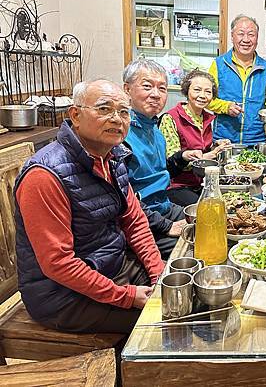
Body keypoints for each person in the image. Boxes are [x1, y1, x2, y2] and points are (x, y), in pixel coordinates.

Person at [14, 79, 164, 334]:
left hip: (112, 267)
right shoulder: (44, 175)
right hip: (61, 296)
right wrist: (125, 296)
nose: (117, 119)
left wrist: (158, 272)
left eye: (124, 112)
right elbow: (59, 264)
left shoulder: (112, 158)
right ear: (75, 115)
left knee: (181, 297)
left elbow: (135, 222)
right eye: (104, 109)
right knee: (161, 326)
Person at [123, 59, 202, 257]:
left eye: (162, 88)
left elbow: (161, 172)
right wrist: (167, 226)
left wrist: (181, 158)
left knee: (216, 221)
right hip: (141, 221)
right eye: (147, 86)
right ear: (127, 89)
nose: (156, 94)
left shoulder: (155, 130)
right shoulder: (120, 134)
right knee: (199, 249)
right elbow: (123, 199)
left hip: (163, 206)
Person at [159, 69, 231, 206]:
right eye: (197, 90)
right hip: (178, 186)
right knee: (209, 210)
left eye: (208, 92)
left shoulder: (206, 117)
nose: (202, 95)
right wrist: (211, 155)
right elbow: (171, 162)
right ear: (187, 91)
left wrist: (216, 145)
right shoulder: (171, 118)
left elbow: (203, 147)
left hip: (203, 183)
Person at [207, 14, 266, 144]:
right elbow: (207, 99)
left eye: (251, 34)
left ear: (257, 38)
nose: (246, 40)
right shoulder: (218, 65)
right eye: (241, 34)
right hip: (224, 141)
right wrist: (226, 106)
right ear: (232, 36)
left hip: (256, 141)